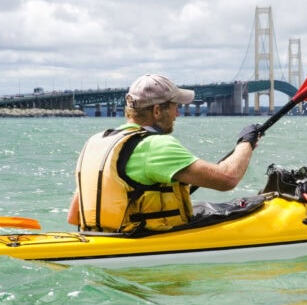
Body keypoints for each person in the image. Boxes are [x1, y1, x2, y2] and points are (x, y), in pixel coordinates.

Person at [67, 74, 260, 233]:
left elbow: (74, 216)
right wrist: (246, 142)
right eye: (176, 107)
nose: (178, 114)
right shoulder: (155, 145)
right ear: (158, 110)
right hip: (140, 245)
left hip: (97, 238)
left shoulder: (96, 142)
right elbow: (227, 178)